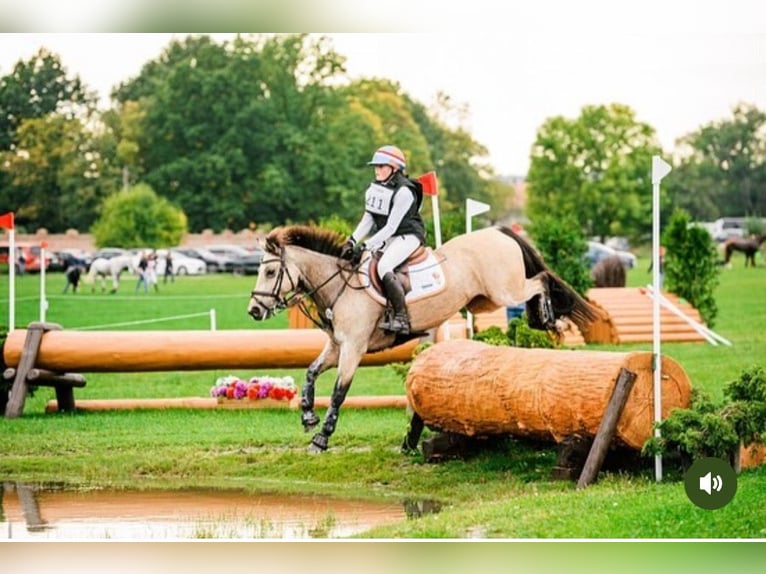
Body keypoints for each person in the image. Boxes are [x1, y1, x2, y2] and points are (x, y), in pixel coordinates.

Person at [340, 145, 426, 335]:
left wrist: (366, 245)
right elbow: (368, 218)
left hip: (408, 235)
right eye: (376, 167)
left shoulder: (404, 192)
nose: (377, 170)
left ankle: (402, 318)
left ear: (394, 168)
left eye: (381, 166)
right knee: (365, 262)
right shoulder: (376, 188)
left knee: (383, 266)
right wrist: (351, 241)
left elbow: (391, 227)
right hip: (390, 235)